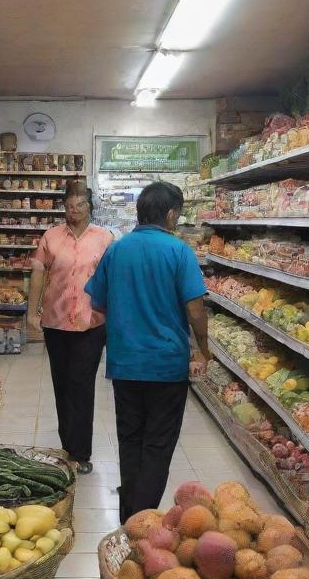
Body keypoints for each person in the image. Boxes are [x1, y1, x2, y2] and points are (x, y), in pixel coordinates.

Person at [84, 180, 211, 521]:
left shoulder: (117, 249)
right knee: (157, 444)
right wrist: (203, 349)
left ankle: (130, 516)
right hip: (167, 365)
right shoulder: (178, 251)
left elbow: (97, 302)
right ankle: (142, 520)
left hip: (125, 362)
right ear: (171, 215)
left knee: (130, 440)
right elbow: (195, 308)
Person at [27, 182, 113, 474]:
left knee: (81, 384)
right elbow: (38, 275)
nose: (73, 211)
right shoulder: (50, 237)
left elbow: (114, 279)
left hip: (92, 322)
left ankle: (80, 451)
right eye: (68, 206)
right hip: (56, 321)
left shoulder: (105, 239)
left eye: (79, 205)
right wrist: (32, 313)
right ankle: (68, 445)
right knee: (62, 385)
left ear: (90, 207)